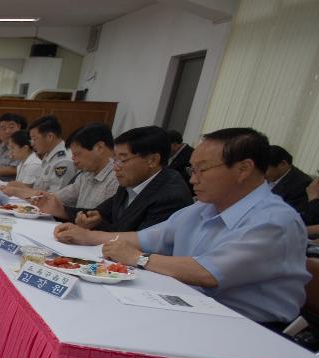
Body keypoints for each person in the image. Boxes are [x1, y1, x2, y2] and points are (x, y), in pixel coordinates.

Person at [64, 128, 308, 327]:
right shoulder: (202, 209)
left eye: (202, 170)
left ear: (243, 169)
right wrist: (87, 236)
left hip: (250, 328)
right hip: (193, 311)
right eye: (193, 169)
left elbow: (208, 273)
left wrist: (140, 259)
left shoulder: (275, 222)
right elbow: (143, 238)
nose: (192, 179)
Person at [53, 125, 193, 239]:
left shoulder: (170, 195)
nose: (115, 167)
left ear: (152, 160)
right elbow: (100, 213)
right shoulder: (131, 182)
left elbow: (140, 241)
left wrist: (89, 234)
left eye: (123, 159)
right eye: (115, 159)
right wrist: (87, 219)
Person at [32, 123, 119, 220]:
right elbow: (60, 197)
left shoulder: (117, 178)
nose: (74, 160)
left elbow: (100, 219)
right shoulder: (86, 174)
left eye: (77, 154)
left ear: (99, 148)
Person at [1, 115, 74, 198]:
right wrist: (20, 188)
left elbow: (54, 198)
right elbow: (38, 189)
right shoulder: (48, 155)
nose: (32, 143)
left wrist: (19, 191)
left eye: (35, 139)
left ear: (49, 137)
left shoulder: (63, 161)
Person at [264, 145, 312, 213]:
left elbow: (287, 215)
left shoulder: (301, 185)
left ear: (283, 164)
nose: (260, 173)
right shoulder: (263, 177)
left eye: (265, 169)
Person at [0, 113, 28, 180]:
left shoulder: (23, 146)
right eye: (3, 128)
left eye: (11, 127)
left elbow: (15, 169)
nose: (7, 131)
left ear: (19, 127)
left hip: (10, 184)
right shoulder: (2, 145)